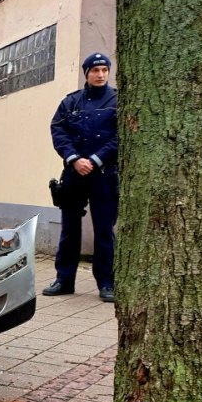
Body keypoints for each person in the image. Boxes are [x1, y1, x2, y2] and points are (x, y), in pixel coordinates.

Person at [42, 52, 118, 303]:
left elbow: (119, 136)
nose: (100, 74)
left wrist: (95, 160)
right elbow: (58, 130)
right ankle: (64, 280)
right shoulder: (71, 102)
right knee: (69, 229)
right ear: (86, 73)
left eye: (104, 70)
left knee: (104, 231)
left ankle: (107, 282)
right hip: (74, 173)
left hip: (104, 174)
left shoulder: (118, 100)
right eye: (95, 70)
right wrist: (74, 158)